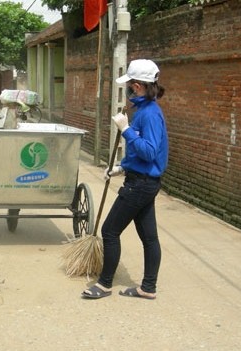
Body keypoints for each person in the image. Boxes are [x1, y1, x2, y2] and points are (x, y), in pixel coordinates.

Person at [82, 59, 168, 300]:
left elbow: (150, 151)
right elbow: (146, 157)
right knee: (149, 237)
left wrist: (126, 130)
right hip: (143, 180)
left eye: (130, 84)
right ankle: (147, 288)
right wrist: (121, 168)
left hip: (140, 186)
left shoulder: (149, 115)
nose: (128, 89)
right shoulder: (146, 110)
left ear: (138, 86)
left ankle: (104, 284)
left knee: (109, 231)